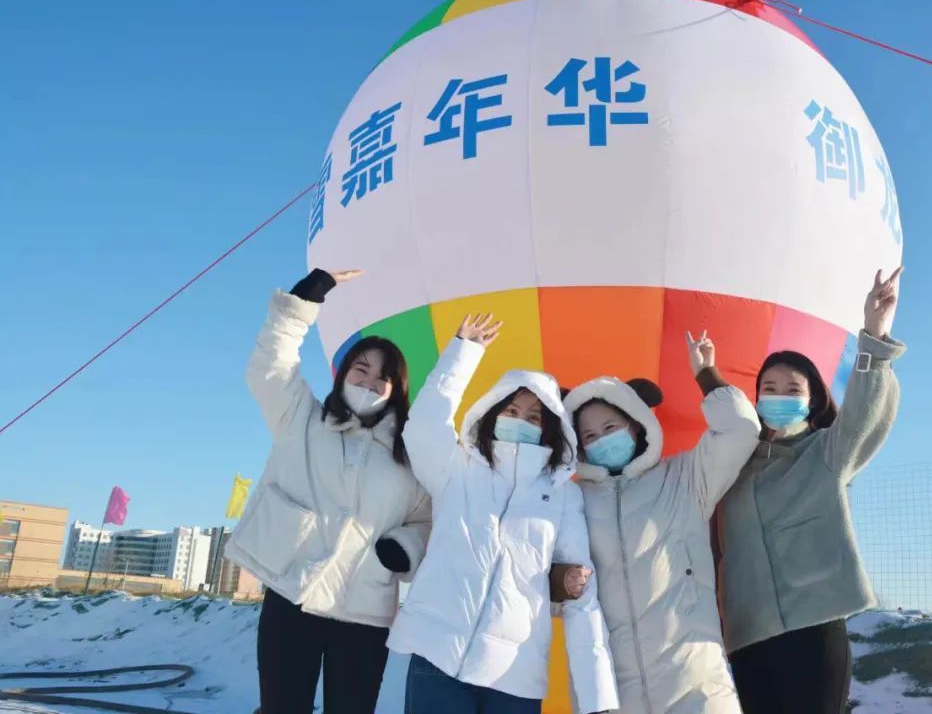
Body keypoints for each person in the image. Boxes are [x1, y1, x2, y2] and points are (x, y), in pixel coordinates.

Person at [387, 314, 620, 714]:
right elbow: (423, 427)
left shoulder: (563, 495)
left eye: (534, 417)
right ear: (492, 414)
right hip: (437, 655)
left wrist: (596, 699)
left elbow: (581, 593)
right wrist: (463, 352)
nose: (520, 421)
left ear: (549, 429)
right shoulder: (458, 469)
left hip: (515, 675)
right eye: (511, 410)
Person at [226, 268, 431, 714]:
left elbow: (426, 519)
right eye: (361, 370)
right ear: (342, 375)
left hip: (365, 610)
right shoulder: (301, 418)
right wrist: (305, 298)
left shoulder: (409, 459)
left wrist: (404, 547)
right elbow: (270, 366)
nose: (370, 383)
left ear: (397, 389)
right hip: (291, 595)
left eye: (383, 377)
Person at [715, 267, 906, 714]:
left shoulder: (825, 453)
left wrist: (874, 340)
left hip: (814, 631)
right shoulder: (734, 467)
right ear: (756, 398)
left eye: (792, 389)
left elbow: (860, 414)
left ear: (811, 399)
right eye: (769, 388)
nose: (779, 395)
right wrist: (706, 374)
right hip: (748, 638)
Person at [554, 331, 761, 714]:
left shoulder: (685, 478)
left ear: (636, 425)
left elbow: (741, 430)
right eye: (590, 435)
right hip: (609, 692)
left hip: (695, 685)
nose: (601, 440)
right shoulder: (571, 500)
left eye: (610, 428)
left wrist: (707, 374)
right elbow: (538, 580)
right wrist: (560, 583)